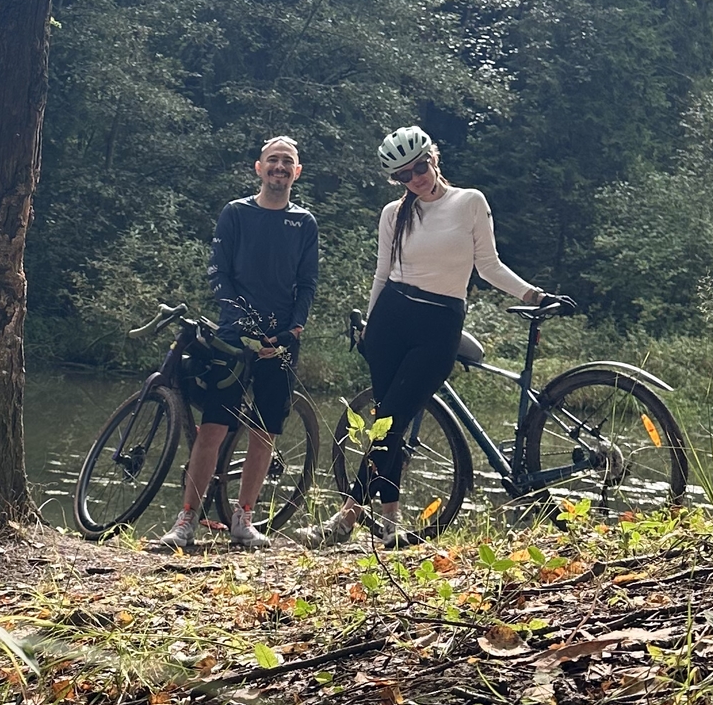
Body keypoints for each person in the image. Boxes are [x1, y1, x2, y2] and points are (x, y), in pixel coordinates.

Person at [326, 126, 562, 545]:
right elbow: (383, 273)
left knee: (390, 420)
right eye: (403, 176)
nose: (415, 178)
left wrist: (531, 293)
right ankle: (391, 523)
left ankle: (347, 517)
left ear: (433, 158)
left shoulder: (469, 202)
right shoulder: (393, 215)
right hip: (390, 321)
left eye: (419, 166)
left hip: (439, 324)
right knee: (389, 424)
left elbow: (488, 266)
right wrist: (369, 325)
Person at [152, 136, 319, 552]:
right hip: (232, 336)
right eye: (273, 160)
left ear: (296, 173)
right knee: (213, 427)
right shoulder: (236, 213)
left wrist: (290, 331)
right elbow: (218, 273)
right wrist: (240, 322)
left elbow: (307, 284)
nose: (280, 167)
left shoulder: (304, 223)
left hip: (280, 340)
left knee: (264, 431)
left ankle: (243, 520)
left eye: (288, 162)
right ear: (259, 168)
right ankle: (186, 520)